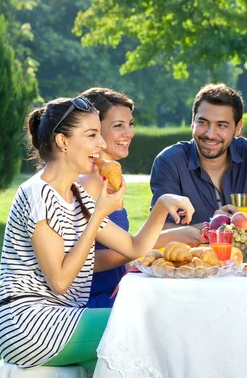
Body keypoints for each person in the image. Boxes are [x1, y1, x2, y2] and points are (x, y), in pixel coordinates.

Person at [0, 97, 195, 371]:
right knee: (145, 329)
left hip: (63, 318)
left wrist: (161, 206)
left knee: (132, 360)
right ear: (63, 142)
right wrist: (99, 214)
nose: (101, 144)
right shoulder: (37, 193)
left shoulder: (77, 196)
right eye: (91, 135)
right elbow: (60, 282)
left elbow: (133, 248)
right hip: (27, 324)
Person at [76, 88, 200, 308]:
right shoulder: (88, 182)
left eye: (130, 124)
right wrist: (165, 238)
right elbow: (86, 262)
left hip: (118, 290)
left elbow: (117, 246)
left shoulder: (108, 177)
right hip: (93, 300)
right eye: (118, 126)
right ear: (93, 130)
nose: (128, 133)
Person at [150, 83, 247, 239]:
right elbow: (158, 231)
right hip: (192, 263)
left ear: (238, 127)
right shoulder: (169, 161)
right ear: (193, 123)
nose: (210, 134)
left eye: (221, 125)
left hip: (246, 263)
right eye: (203, 122)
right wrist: (213, 227)